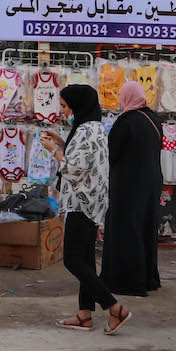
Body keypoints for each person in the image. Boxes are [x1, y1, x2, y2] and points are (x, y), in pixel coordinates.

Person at [55, 84, 126, 333]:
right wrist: (59, 142)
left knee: (73, 260)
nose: (62, 111)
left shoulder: (86, 131)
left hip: (82, 202)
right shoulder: (94, 127)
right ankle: (85, 315)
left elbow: (73, 169)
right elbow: (81, 159)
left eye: (64, 105)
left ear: (77, 105)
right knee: (84, 259)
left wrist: (52, 150)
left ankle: (114, 307)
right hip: (92, 200)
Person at [100, 80, 163, 297]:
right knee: (145, 228)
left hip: (128, 185)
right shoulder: (153, 119)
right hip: (151, 183)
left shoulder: (125, 122)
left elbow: (112, 154)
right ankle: (147, 278)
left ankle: (127, 280)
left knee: (126, 230)